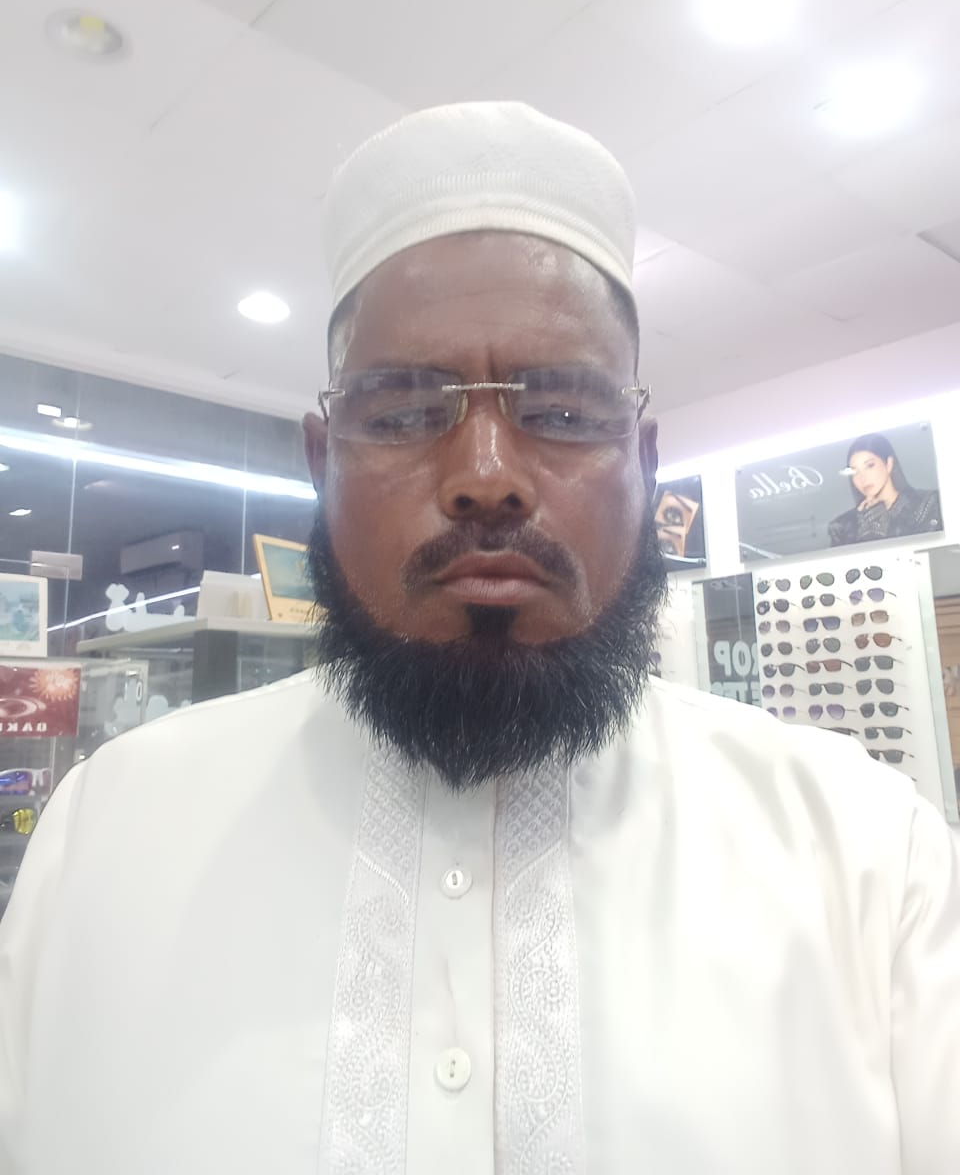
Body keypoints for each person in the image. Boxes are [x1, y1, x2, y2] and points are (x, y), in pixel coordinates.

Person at [0, 103, 958, 1175]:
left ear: (645, 464)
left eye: (564, 412)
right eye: (404, 412)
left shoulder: (866, 854)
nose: (486, 475)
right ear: (322, 461)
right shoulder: (109, 832)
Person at [829, 431, 942, 546]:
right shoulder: (841, 527)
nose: (862, 478)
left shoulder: (929, 505)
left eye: (870, 465)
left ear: (889, 464)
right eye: (854, 471)